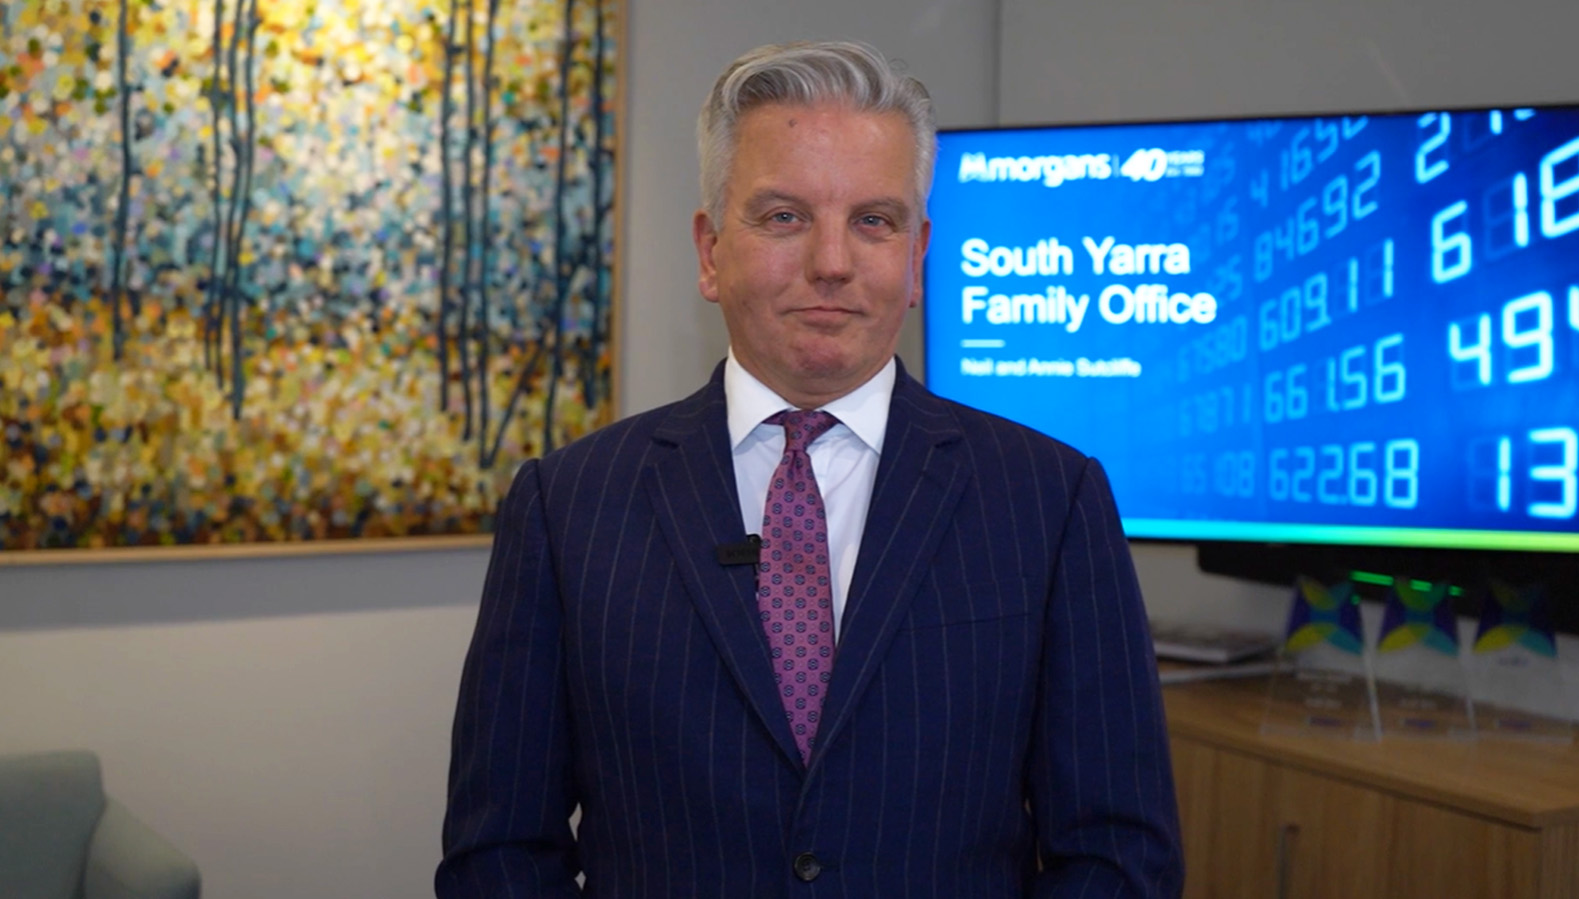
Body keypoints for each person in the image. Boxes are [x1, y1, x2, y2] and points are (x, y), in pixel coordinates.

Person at [437, 39, 1183, 897]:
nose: (832, 262)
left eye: (874, 220)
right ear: (710, 251)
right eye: (784, 216)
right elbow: (497, 853)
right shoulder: (567, 506)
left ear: (917, 256)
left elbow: (1119, 859)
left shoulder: (1050, 500)